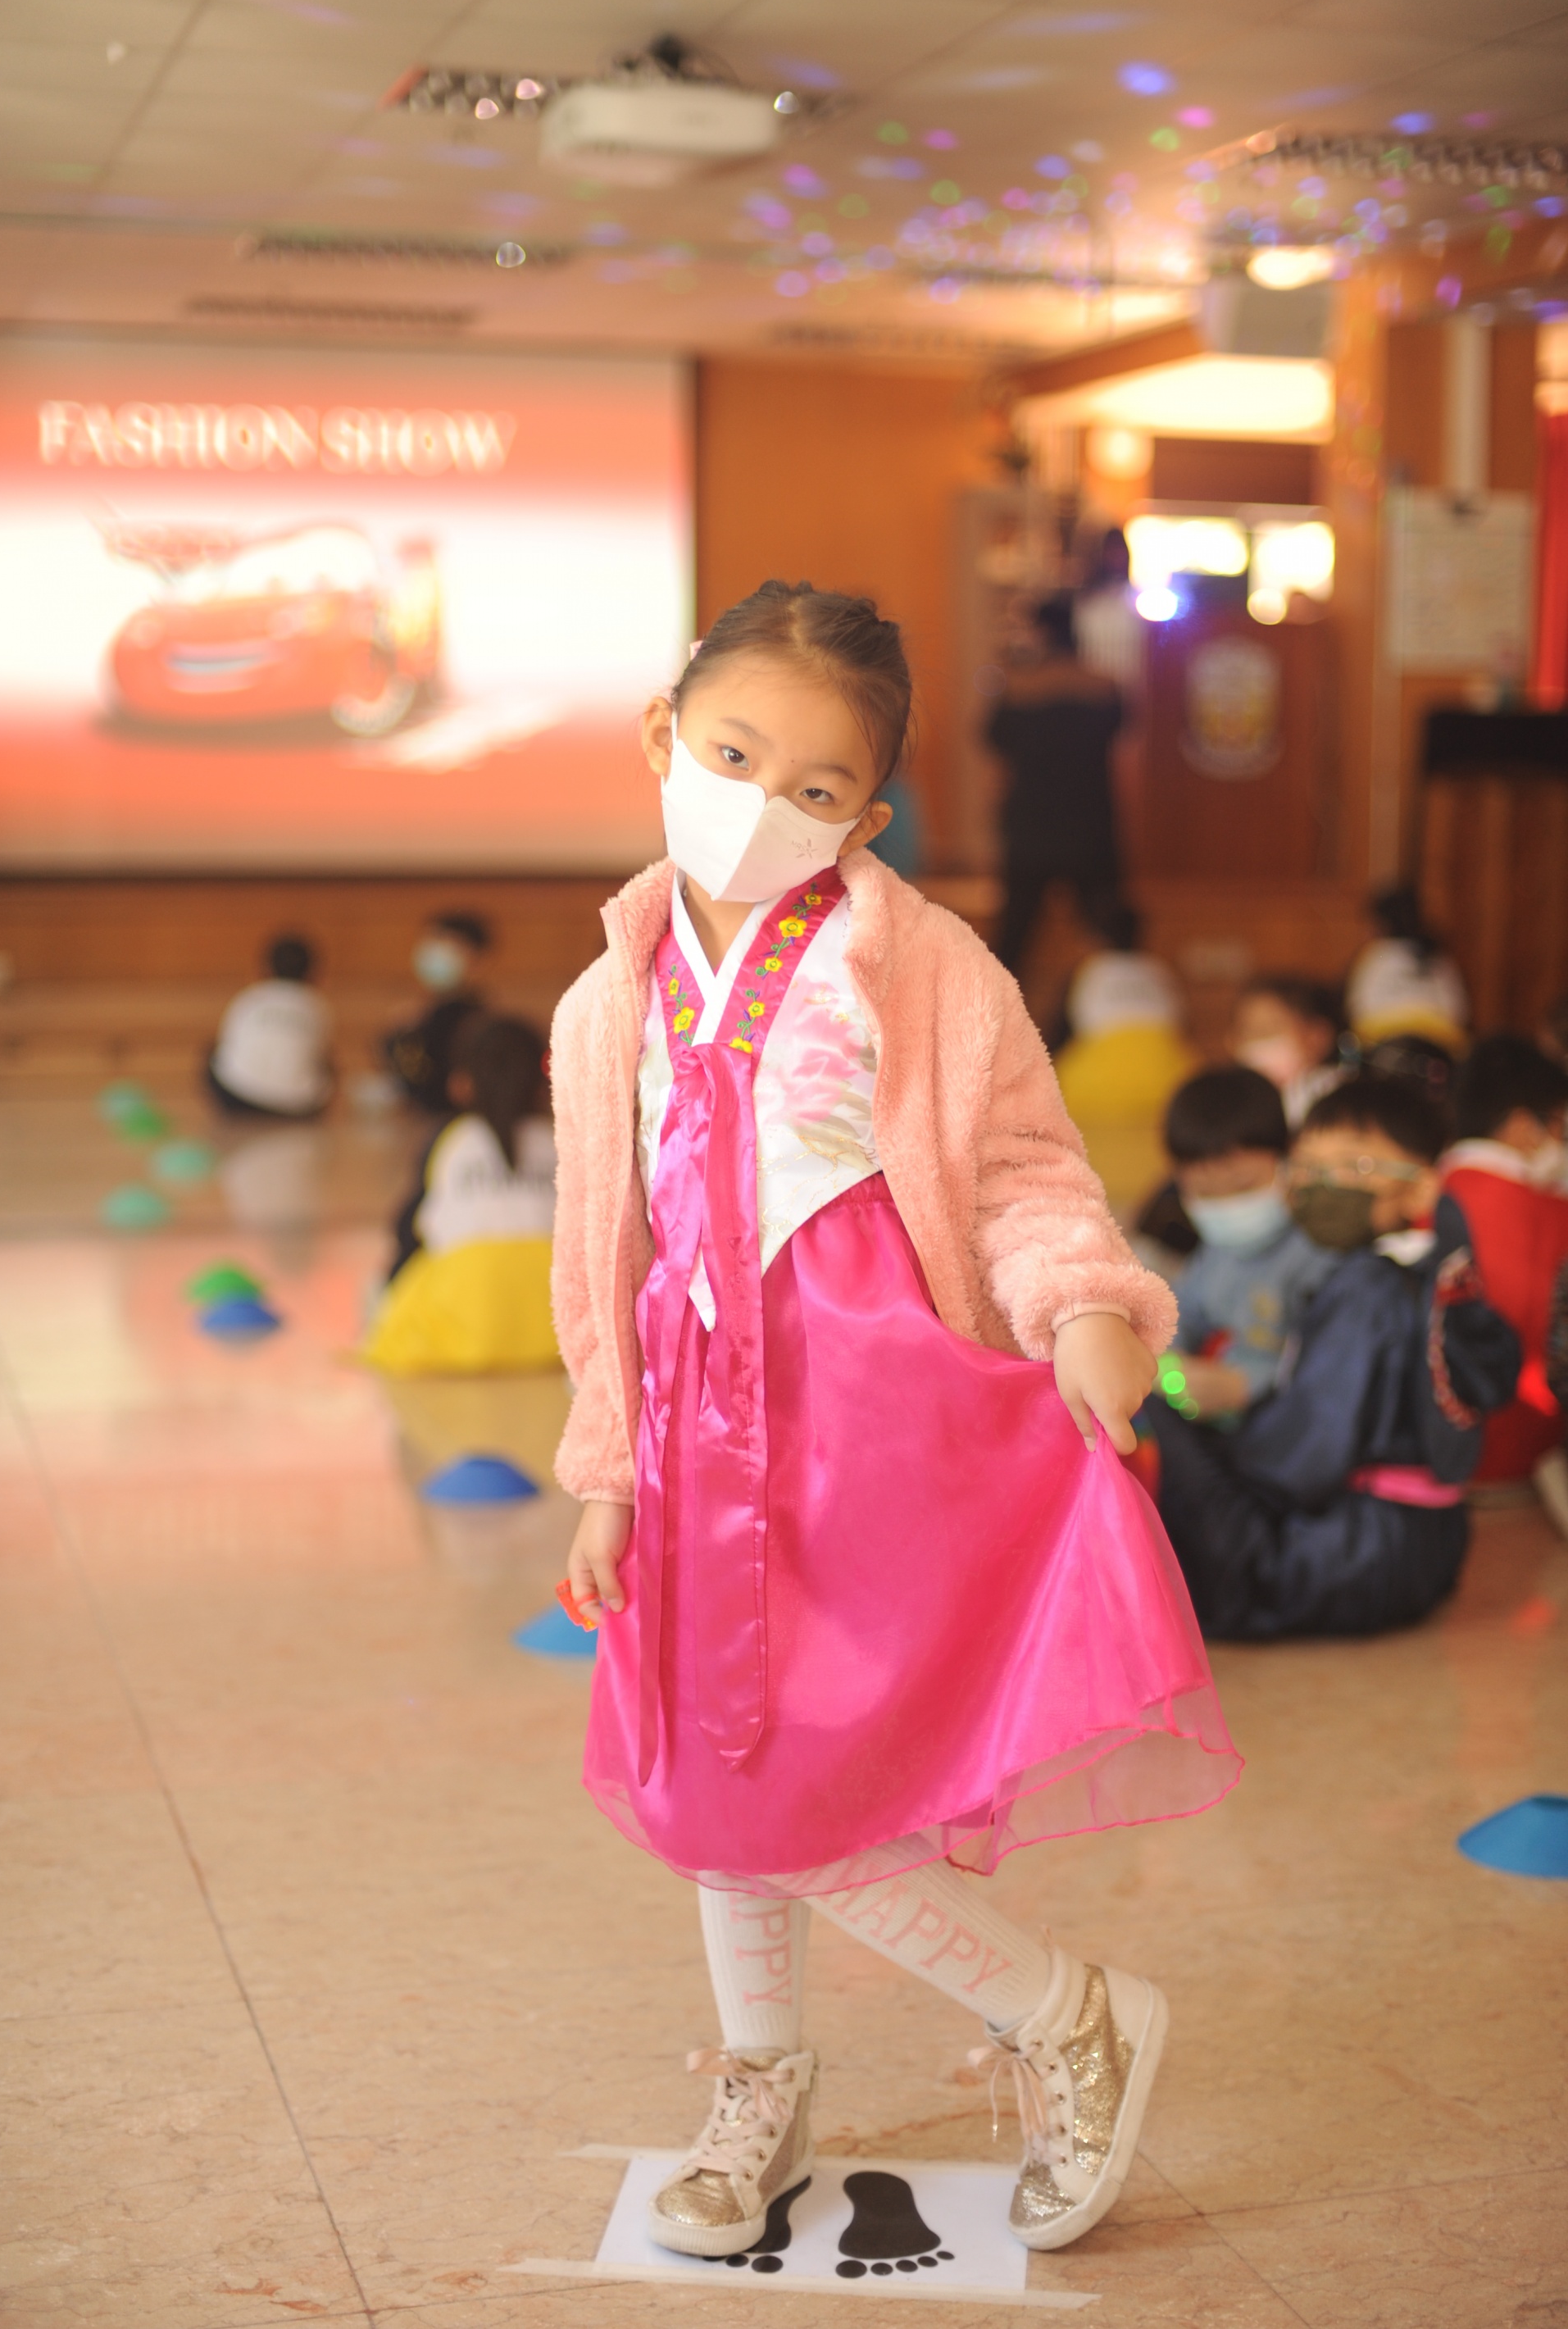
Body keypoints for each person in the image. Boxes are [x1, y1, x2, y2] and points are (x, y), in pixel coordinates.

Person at [548, 578, 1240, 2263]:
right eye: (731, 754)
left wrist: (1084, 1304)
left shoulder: (921, 961)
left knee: (810, 1785)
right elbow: (600, 1256)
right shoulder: (605, 999)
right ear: (662, 735)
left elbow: (1021, 1167)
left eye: (814, 783)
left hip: (875, 1428)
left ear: (866, 813)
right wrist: (607, 1470)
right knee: (719, 1772)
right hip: (694, 1436)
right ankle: (766, 2076)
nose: (762, 801)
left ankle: (1065, 2009)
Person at [1143, 1075, 1520, 1641]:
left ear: (1420, 1188)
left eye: (1355, 1166)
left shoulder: (1368, 1287)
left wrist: (1214, 1430)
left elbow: (1299, 1462)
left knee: (1157, 1413)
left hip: (1353, 1558)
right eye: (1312, 1168)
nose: (1327, 1184)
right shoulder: (1431, 1267)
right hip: (1422, 1544)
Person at [363, 1012, 557, 1375]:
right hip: (554, 1327)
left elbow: (408, 1230)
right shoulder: (557, 1140)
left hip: (464, 1323)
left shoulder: (449, 1139)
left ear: (461, 1083)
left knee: (377, 1292)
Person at [1158, 1067, 1337, 1419]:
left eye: (1244, 1186)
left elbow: (1334, 1360)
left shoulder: (1321, 1251)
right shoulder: (1215, 1255)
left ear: (1290, 1159)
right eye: (1205, 1193)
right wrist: (1169, 1364)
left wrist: (1249, 1384)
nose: (1227, 1206)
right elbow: (1180, 1314)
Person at [1441, 1035, 1568, 1517]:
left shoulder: (1423, 1192)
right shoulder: (1552, 1212)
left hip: (1435, 1452)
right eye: (1558, 1124)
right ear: (1521, 1125)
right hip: (1526, 1453)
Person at [984, 595, 1123, 980]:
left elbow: (992, 739)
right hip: (1090, 825)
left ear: (1041, 633)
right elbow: (1122, 727)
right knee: (1108, 933)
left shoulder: (1017, 689)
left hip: (1031, 826)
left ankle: (994, 1011)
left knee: (1014, 939)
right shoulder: (1103, 686)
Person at [1051, 892, 1194, 1135]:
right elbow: (1182, 1025)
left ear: (1093, 939)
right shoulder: (1159, 970)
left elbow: (1059, 1032)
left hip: (1101, 1074)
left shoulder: (1088, 971)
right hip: (1167, 1070)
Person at [207, 935, 332, 1120]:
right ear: (313, 971)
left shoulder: (249, 998)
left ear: (266, 967)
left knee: (211, 1051)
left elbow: (223, 1047)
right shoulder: (318, 1006)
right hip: (298, 1106)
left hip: (236, 1097)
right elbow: (322, 1058)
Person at [380, 910, 491, 1114]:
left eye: (448, 945)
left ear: (476, 957)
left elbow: (429, 1081)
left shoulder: (475, 1021)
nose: (437, 955)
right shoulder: (423, 1014)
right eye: (433, 942)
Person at [1345, 885, 1469, 1058]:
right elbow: (1459, 1011)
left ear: (1381, 923)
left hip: (1382, 1038)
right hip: (1442, 1042)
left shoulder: (1376, 954)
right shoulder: (1439, 955)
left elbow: (1356, 1008)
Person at [1229, 973, 1344, 1131]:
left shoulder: (1333, 1095)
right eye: (1247, 1031)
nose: (1256, 1042)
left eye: (1269, 1029)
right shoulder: (1243, 1100)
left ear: (1317, 1036)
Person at [1071, 525, 1145, 703]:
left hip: (1130, 692)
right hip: (1093, 693)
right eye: (1110, 550)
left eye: (1119, 551)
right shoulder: (1087, 601)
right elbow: (1081, 647)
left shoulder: (1138, 600)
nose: (1115, 557)